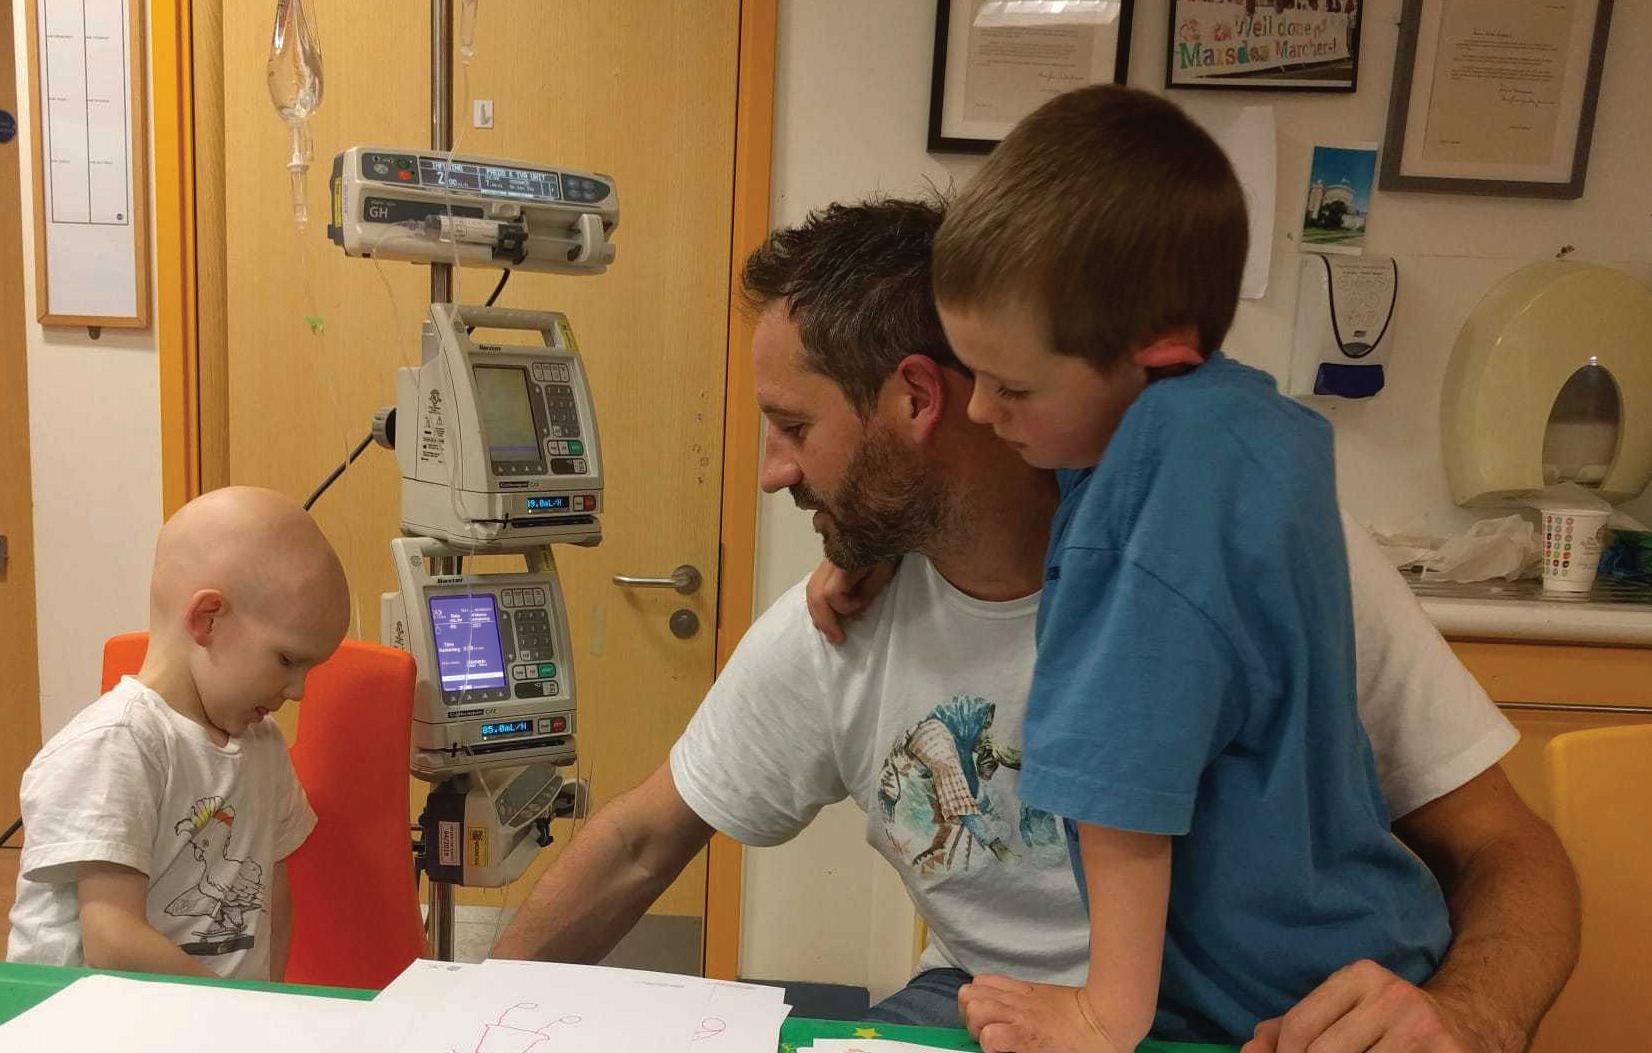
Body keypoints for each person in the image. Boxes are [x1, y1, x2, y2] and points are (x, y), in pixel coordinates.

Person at [491, 198, 1580, 1053]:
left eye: (791, 425)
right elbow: (639, 843)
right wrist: (466, 1014)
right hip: (997, 1007)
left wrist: (1470, 1017)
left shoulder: (1252, 549)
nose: (773, 471)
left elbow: (1513, 852)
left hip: (1258, 1020)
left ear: (916, 400)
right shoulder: (839, 623)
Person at [928, 85, 1450, 1050]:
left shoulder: (1163, 491)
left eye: (1010, 387)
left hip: (1290, 1004)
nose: (980, 412)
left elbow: (1125, 779)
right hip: (1351, 944)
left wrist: (1102, 1014)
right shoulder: (1242, 426)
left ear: (1155, 355)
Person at [6, 487, 351, 981]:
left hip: (201, 1014)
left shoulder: (263, 746)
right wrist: (228, 1008)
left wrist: (266, 1007)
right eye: (287, 660)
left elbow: (273, 901)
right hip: (82, 1015)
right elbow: (113, 941)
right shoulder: (116, 744)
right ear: (208, 620)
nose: (298, 691)